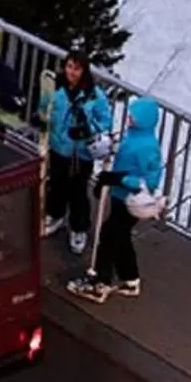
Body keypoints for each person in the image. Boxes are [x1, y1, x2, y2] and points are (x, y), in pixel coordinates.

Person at [71, 97, 164, 301]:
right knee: (120, 238)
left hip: (131, 202)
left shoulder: (148, 147)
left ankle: (102, 282)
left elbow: (150, 181)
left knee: (109, 235)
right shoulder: (134, 137)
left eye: (134, 116)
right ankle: (130, 279)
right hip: (120, 196)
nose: (129, 118)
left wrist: (118, 179)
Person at [42, 52, 114, 256]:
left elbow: (105, 123)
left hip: (81, 153)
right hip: (59, 147)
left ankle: (79, 228)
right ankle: (54, 215)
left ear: (84, 71)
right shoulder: (56, 87)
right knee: (56, 184)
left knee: (78, 191)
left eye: (76, 68)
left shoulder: (95, 95)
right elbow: (45, 110)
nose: (71, 72)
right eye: (69, 67)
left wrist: (87, 128)